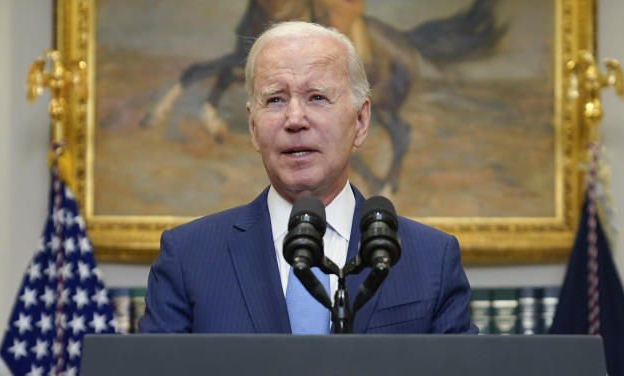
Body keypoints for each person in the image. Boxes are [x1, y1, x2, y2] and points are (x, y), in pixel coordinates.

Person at [138, 21, 476, 334]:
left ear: (360, 121)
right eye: (275, 100)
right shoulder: (188, 257)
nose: (295, 119)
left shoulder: (432, 258)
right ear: (253, 128)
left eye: (317, 97)